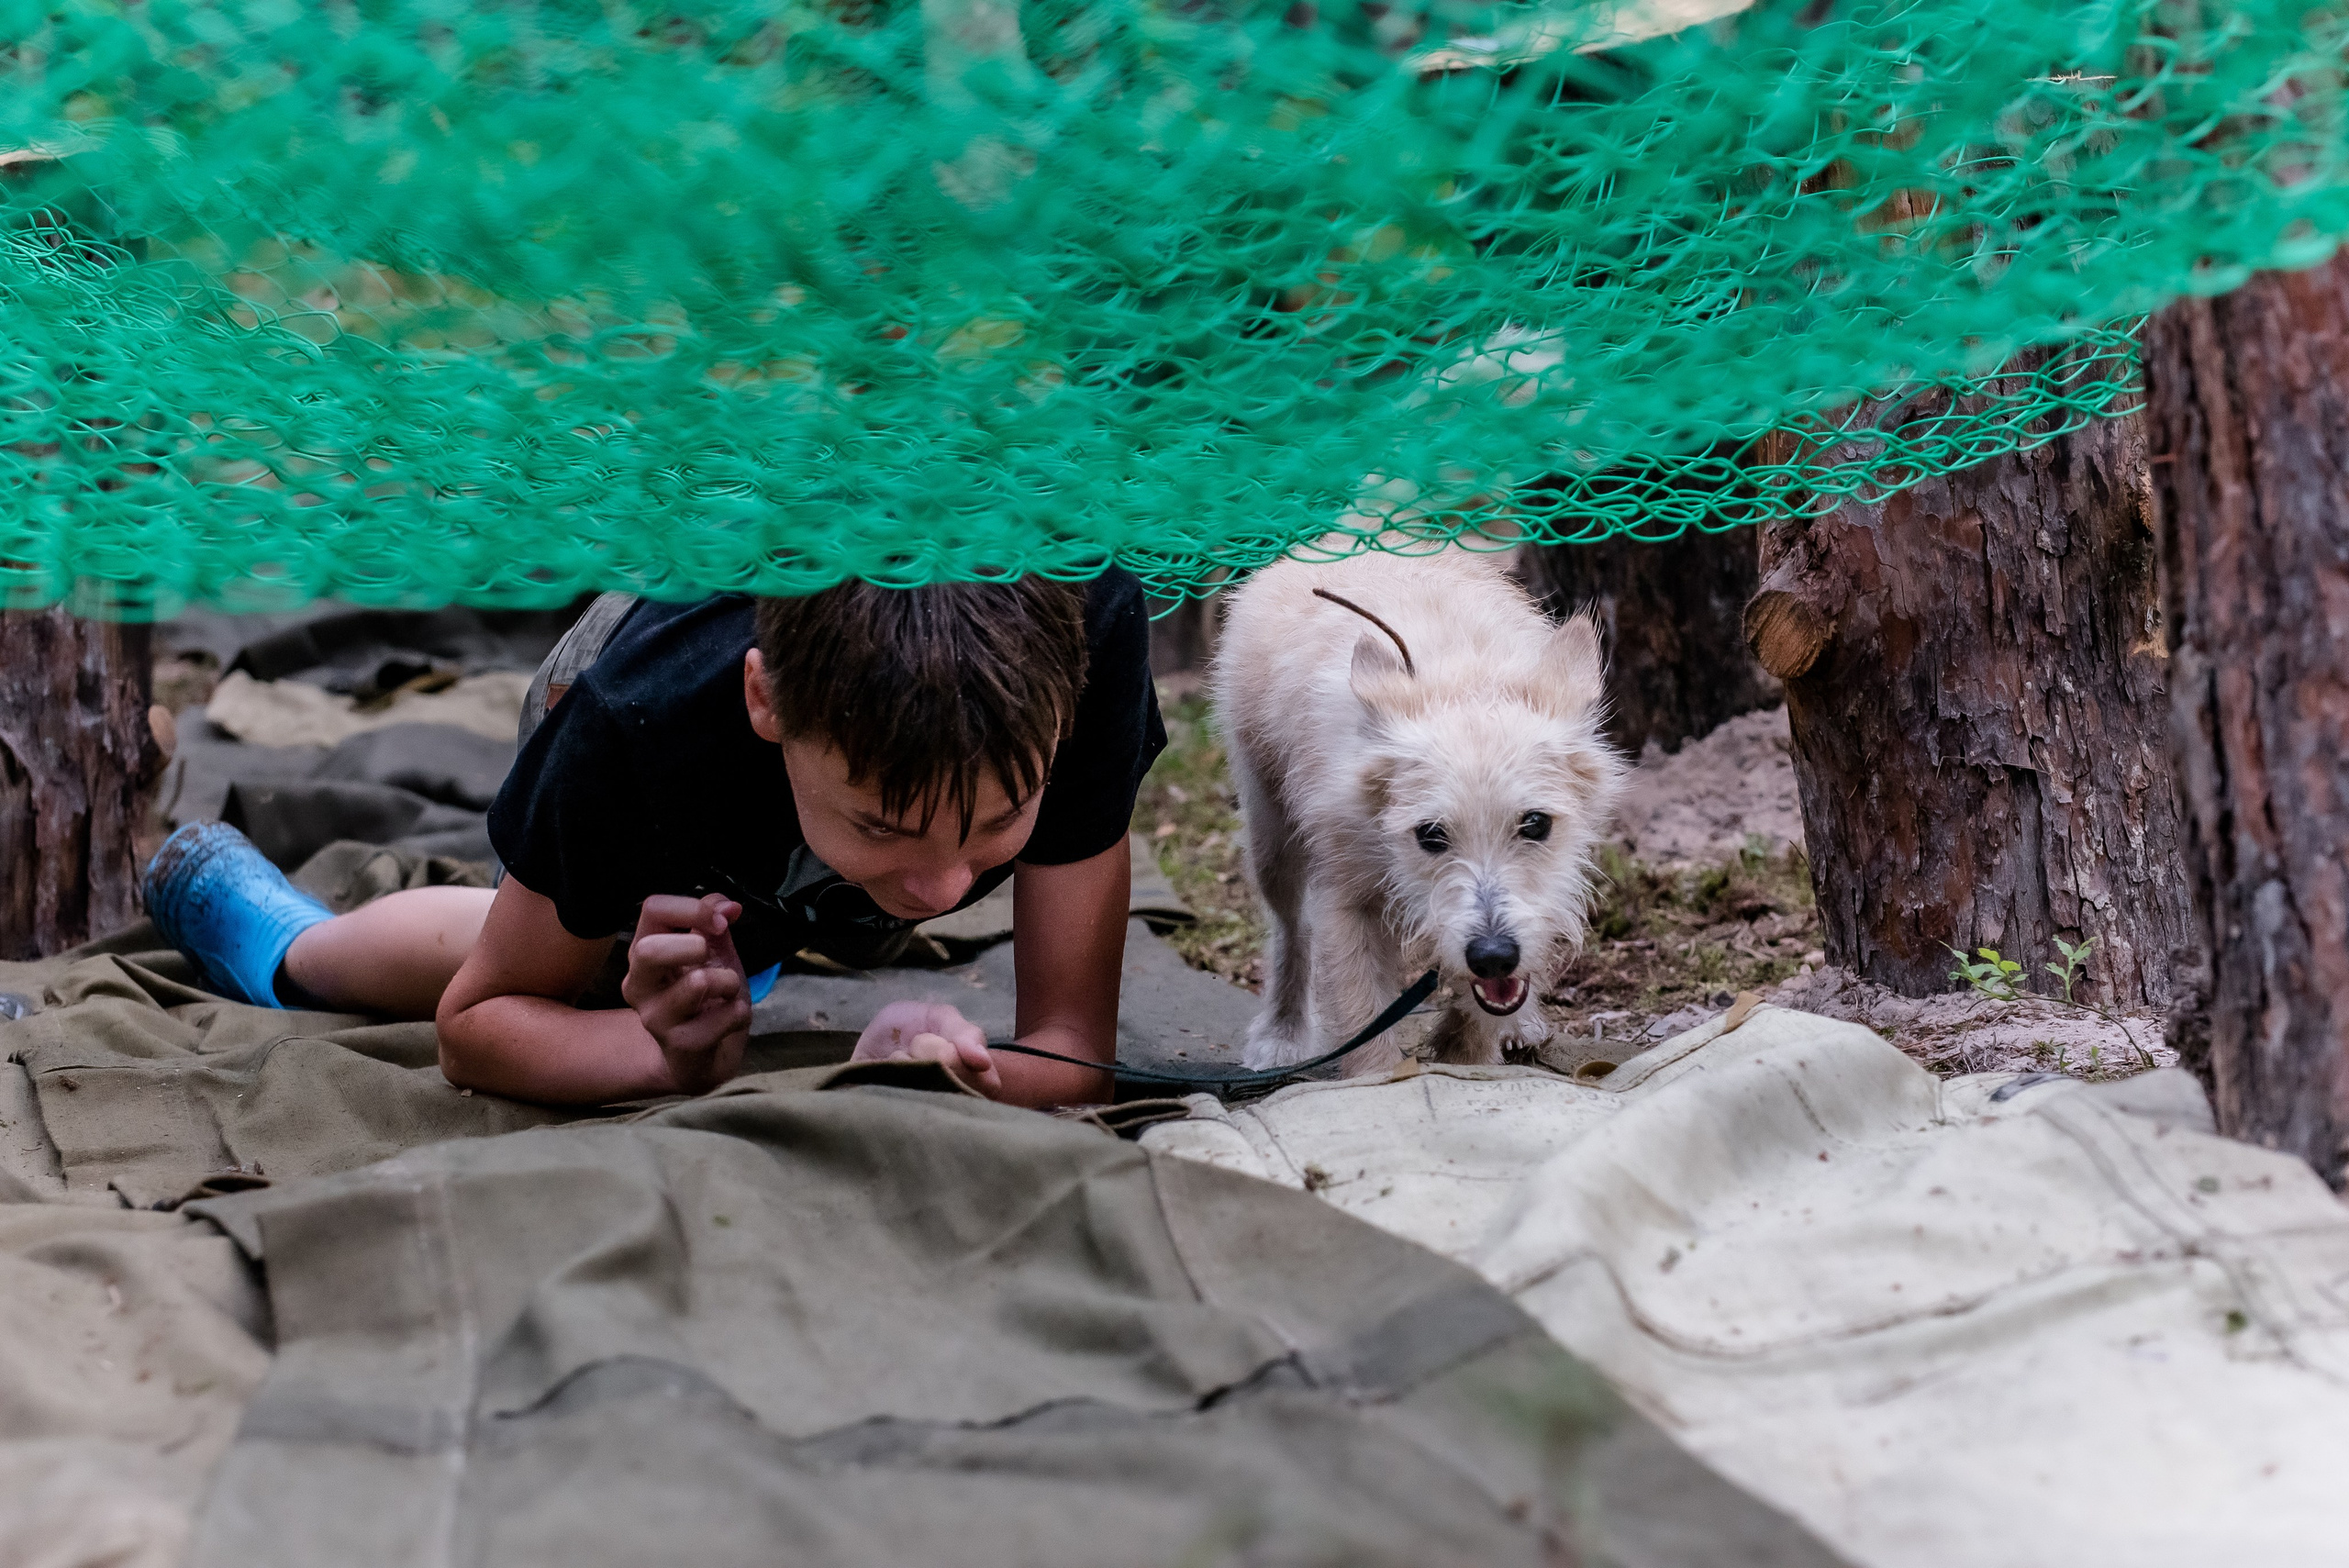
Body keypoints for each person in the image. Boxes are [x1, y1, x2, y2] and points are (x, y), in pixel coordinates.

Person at [141, 573, 1164, 1108]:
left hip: (790, 764)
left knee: (739, 961)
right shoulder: (639, 718)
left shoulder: (1084, 628)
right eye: (884, 824)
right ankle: (285, 940)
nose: (945, 885)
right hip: (658, 725)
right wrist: (663, 1057)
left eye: (998, 820)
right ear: (767, 700)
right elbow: (480, 1023)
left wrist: (954, 1070)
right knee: (599, 973)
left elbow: (1073, 1052)